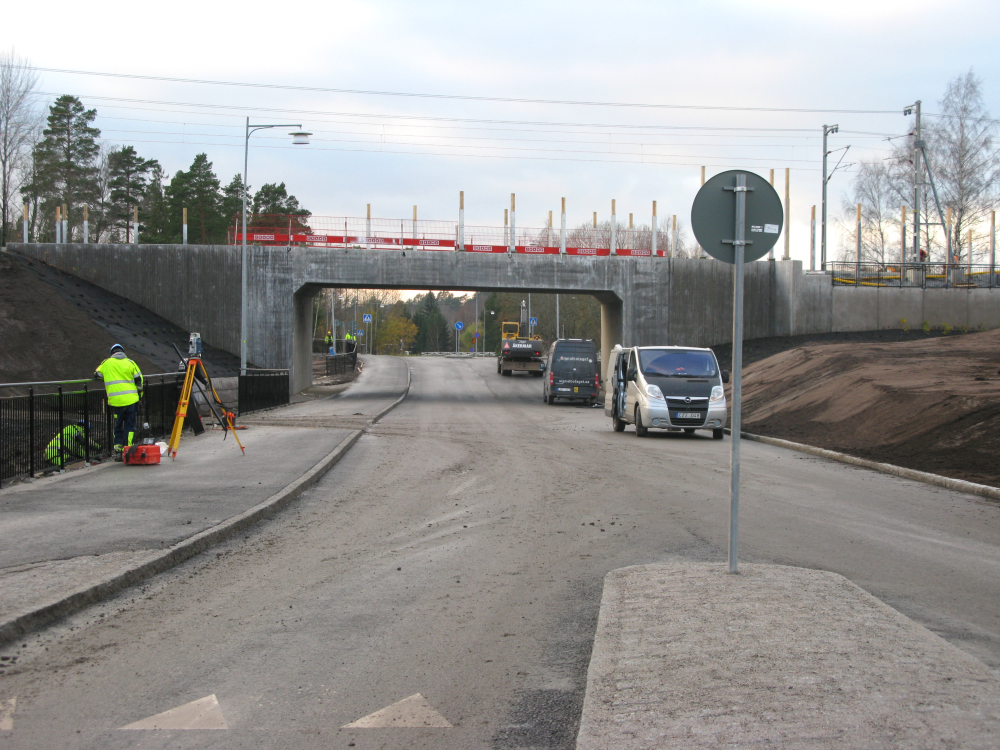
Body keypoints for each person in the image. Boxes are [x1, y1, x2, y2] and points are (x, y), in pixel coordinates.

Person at [94, 343, 144, 461]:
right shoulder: (130, 363)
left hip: (116, 401)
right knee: (130, 424)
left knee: (118, 425)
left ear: (112, 353)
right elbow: (139, 381)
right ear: (123, 352)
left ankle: (118, 450)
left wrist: (107, 375)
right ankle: (128, 448)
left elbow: (97, 374)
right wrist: (140, 397)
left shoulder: (106, 363)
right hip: (131, 400)